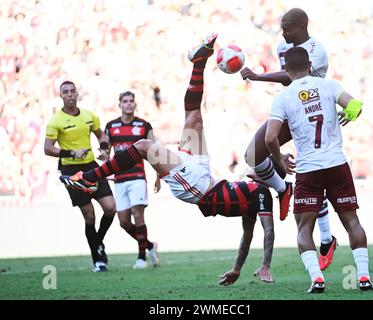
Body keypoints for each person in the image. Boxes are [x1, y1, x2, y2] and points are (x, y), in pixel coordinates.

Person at [59, 33, 284, 285]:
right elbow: (247, 236)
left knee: (144, 145)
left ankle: (90, 178)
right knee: (194, 116)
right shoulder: (249, 189)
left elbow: (266, 231)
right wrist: (237, 269)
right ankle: (199, 62)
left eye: (263, 169)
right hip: (201, 173)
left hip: (197, 188)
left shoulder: (260, 194)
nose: (257, 169)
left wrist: (265, 265)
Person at [265, 46, 373, 293]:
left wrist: (279, 158)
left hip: (309, 168)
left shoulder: (283, 97)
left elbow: (270, 137)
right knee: (352, 222)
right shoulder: (330, 86)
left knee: (304, 228)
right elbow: (356, 105)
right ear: (311, 66)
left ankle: (317, 278)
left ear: (285, 70)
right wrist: (349, 114)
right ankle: (364, 277)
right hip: (337, 164)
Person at [241, 8, 337, 271]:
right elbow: (288, 80)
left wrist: (258, 76)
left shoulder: (317, 49)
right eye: (281, 26)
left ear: (302, 26)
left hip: (314, 111)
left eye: (287, 27)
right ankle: (283, 189)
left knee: (314, 172)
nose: (282, 31)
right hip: (291, 108)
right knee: (253, 155)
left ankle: (327, 239)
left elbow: (290, 76)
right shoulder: (282, 45)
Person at [44, 80, 116, 272]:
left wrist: (104, 150)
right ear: (60, 96)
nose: (69, 94)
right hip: (70, 171)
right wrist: (70, 154)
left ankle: (97, 242)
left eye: (72, 91)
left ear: (77, 94)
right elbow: (47, 149)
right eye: (65, 92)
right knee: (90, 216)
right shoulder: (55, 121)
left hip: (91, 167)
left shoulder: (88, 116)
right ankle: (98, 259)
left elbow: (102, 136)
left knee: (110, 208)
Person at [104, 91, 160, 269]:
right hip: (119, 179)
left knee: (138, 214)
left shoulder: (144, 126)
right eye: (125, 101)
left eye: (131, 101)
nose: (128, 104)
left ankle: (141, 258)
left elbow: (155, 152)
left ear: (135, 104)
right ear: (119, 104)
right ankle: (150, 245)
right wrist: (103, 163)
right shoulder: (111, 126)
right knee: (124, 222)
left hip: (137, 177)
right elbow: (106, 151)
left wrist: (158, 176)